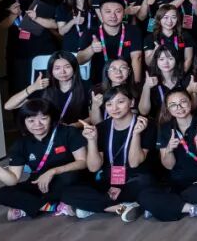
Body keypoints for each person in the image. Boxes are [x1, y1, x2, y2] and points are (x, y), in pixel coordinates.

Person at [0, 98, 88, 221]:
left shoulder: (68, 132)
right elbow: (12, 180)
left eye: (43, 119)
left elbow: (82, 162)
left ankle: (29, 206)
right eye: (31, 120)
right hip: (39, 183)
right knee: (1, 194)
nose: (37, 124)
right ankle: (53, 206)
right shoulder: (21, 144)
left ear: (51, 118)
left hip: (66, 179)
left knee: (70, 178)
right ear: (24, 122)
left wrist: (53, 171)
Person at [65, 87, 156, 221]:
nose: (114, 108)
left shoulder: (146, 125)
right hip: (109, 180)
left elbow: (134, 162)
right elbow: (93, 168)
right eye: (109, 104)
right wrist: (92, 140)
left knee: (146, 185)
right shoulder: (102, 127)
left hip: (135, 178)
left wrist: (136, 134)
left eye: (120, 102)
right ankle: (119, 207)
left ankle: (94, 205)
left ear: (131, 102)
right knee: (67, 192)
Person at [0, 0, 60, 97]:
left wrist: (38, 19)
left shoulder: (48, 1)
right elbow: (1, 26)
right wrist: (13, 15)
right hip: (18, 50)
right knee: (19, 85)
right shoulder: (7, 2)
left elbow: (57, 24)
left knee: (47, 85)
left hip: (44, 47)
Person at [4, 51, 90, 126]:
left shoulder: (86, 87)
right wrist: (32, 87)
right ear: (51, 70)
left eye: (67, 67)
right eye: (57, 68)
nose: (62, 72)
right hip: (49, 133)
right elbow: (8, 106)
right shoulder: (43, 87)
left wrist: (75, 126)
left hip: (76, 132)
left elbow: (94, 117)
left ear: (74, 68)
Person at [143, 4, 195, 71]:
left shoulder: (185, 35)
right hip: (158, 74)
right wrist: (155, 50)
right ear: (159, 19)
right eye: (166, 17)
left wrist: (180, 75)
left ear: (177, 19)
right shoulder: (150, 37)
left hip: (179, 72)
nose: (169, 21)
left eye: (173, 17)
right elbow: (148, 63)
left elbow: (188, 59)